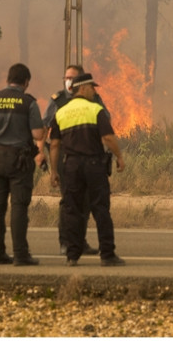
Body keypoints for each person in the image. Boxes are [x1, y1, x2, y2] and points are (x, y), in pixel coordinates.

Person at [49, 72, 126, 266]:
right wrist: (119, 156)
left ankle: (72, 256)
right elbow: (108, 138)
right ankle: (107, 255)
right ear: (82, 88)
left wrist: (54, 171)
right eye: (92, 87)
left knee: (72, 210)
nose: (94, 91)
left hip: (71, 167)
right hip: (93, 165)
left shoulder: (61, 113)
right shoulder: (95, 110)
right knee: (100, 209)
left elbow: (55, 145)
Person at [0, 63, 46, 266]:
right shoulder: (29, 103)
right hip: (20, 161)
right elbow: (37, 134)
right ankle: (20, 255)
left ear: (9, 79)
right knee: (19, 207)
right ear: (26, 82)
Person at [43, 64, 108, 256]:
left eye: (72, 78)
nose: (68, 81)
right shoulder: (57, 100)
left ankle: (80, 241)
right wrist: (42, 153)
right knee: (69, 202)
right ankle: (66, 242)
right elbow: (46, 126)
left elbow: (106, 119)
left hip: (90, 156)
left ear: (80, 82)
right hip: (66, 157)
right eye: (66, 78)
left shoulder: (94, 99)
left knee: (86, 201)